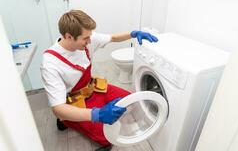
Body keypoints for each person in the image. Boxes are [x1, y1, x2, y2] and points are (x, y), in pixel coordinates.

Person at [40, 10, 158, 151]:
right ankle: (67, 121)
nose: (90, 41)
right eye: (85, 39)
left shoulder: (86, 36)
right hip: (75, 100)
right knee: (106, 137)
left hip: (93, 88)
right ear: (68, 36)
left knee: (128, 99)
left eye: (90, 36)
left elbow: (113, 38)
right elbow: (58, 109)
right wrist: (98, 114)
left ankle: (89, 113)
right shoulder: (50, 63)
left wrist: (133, 34)